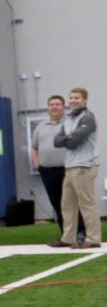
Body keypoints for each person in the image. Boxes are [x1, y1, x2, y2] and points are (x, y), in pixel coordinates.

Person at [50, 87, 100, 249]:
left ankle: (93, 238)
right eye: (71, 98)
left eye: (77, 98)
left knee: (86, 204)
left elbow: (73, 142)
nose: (73, 101)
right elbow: (56, 141)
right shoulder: (69, 119)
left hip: (84, 165)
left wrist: (66, 139)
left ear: (84, 100)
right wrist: (68, 138)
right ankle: (68, 238)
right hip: (70, 166)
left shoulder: (88, 117)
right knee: (67, 205)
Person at [32, 95, 84, 241]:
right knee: (57, 204)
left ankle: (80, 233)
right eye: (51, 104)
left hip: (67, 170)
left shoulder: (70, 124)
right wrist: (37, 165)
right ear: (48, 107)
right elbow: (34, 148)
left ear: (63, 107)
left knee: (71, 202)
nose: (54, 107)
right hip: (47, 171)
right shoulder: (41, 126)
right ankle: (66, 236)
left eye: (57, 104)